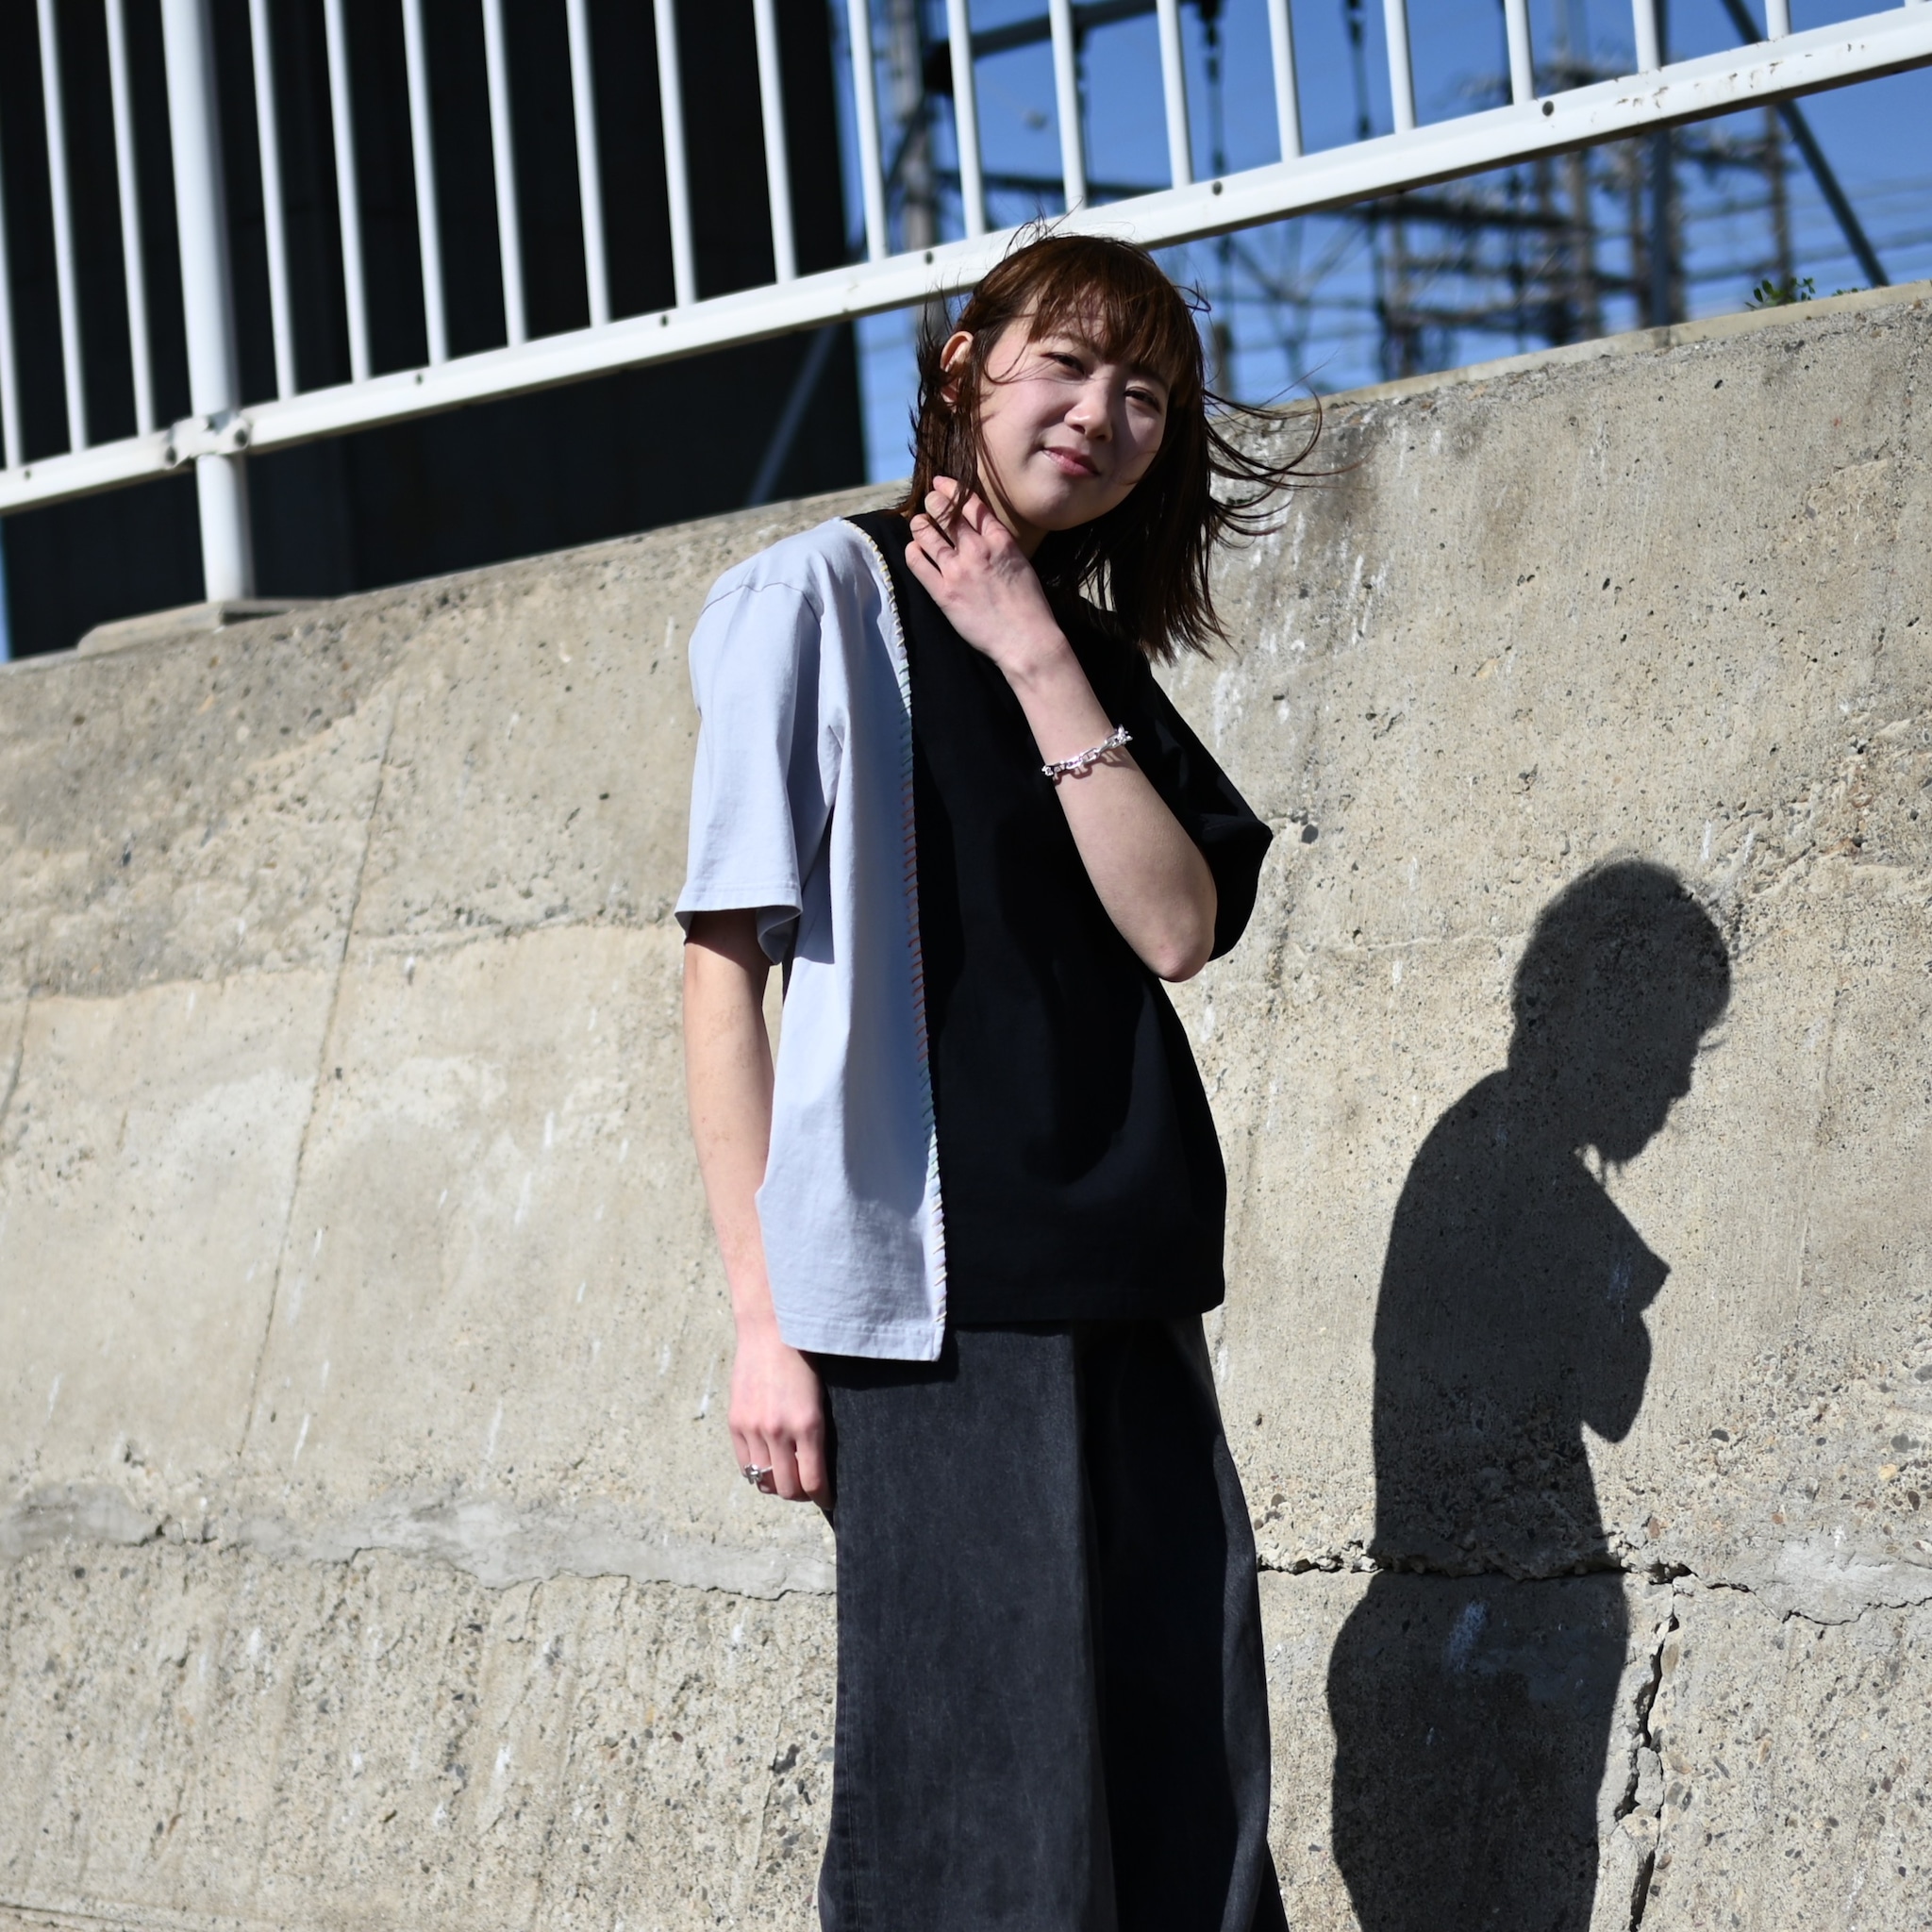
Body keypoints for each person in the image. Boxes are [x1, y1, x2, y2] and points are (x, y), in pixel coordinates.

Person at [677, 232, 1309, 1932]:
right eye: (1068, 365)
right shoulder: (813, 599)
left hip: (1134, 1280)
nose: (1104, 414)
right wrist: (764, 1322)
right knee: (980, 1822)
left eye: (1148, 394)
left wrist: (1031, 649)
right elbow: (722, 976)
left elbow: (1175, 928)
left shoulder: (1080, 653)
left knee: (1191, 1800)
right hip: (938, 1308)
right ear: (963, 365)